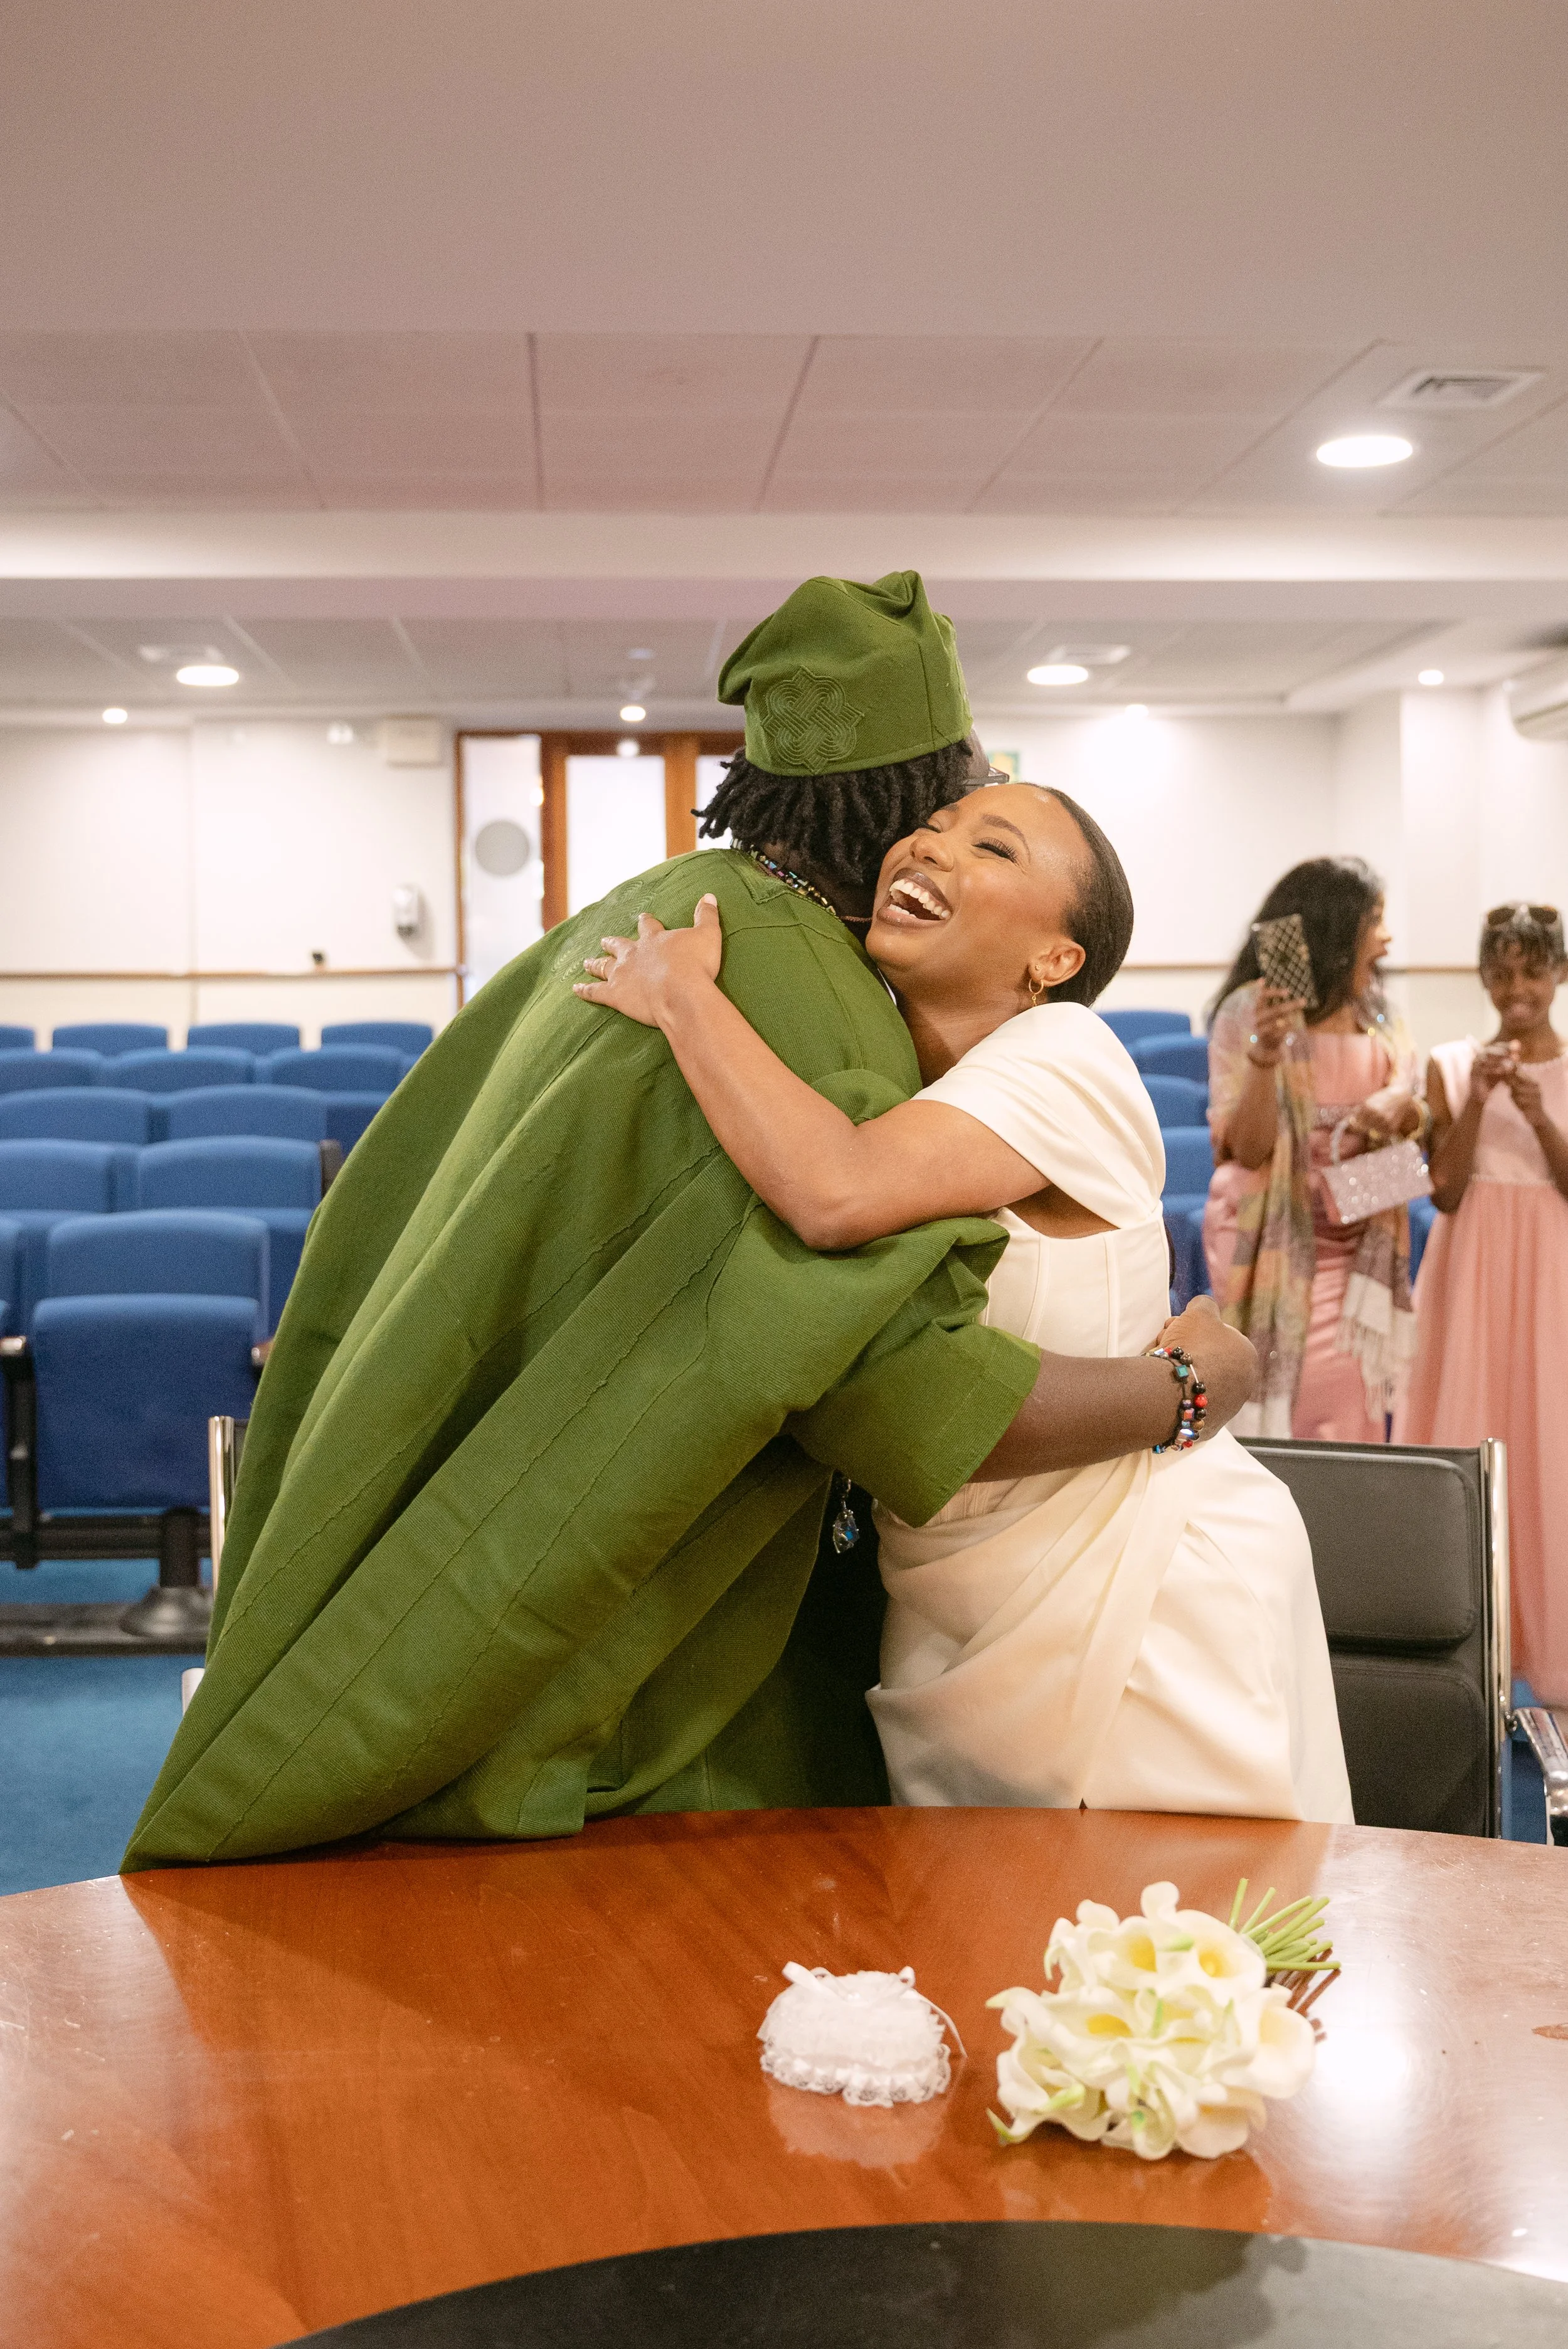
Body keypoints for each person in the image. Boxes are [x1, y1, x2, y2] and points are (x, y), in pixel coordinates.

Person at [124, 571, 1254, 1872]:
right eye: (946, 808)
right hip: (632, 1643)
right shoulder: (804, 987)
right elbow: (881, 1373)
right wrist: (1187, 1382)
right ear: (900, 799)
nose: (938, 842)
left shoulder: (665, 906)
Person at [578, 784, 1350, 1823]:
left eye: (991, 847)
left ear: (1055, 961)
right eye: (932, 830)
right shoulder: (914, 1089)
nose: (930, 850)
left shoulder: (1064, 1053)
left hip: (1135, 1591)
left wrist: (683, 996)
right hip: (958, 1597)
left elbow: (833, 1194)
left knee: (1161, 1957)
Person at [1396, 903, 1568, 1707]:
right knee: (1474, 1422)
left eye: (1532, 971)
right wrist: (1477, 1102)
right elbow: (1445, 1188)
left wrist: (1539, 1117)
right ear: (1484, 978)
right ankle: (1469, 1642)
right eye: (1501, 973)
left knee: (1549, 1432)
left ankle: (1551, 1637)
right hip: (1471, 1275)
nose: (1516, 989)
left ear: (1559, 975)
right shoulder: (1451, 1062)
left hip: (1550, 1273)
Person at [1205, 859, 1422, 1441]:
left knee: (1351, 1426)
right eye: (1374, 921)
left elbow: (1410, 1155)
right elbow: (1247, 1153)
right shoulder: (1248, 1014)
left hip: (1360, 1258)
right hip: (1271, 1249)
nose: (1386, 938)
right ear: (1335, 931)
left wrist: (1403, 1107)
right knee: (1286, 1431)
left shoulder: (1380, 1017)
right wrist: (1265, 1058)